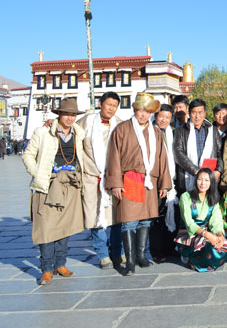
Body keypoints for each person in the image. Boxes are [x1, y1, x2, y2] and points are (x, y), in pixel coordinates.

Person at [105, 92, 173, 276]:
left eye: (147, 111)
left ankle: (141, 255)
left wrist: (164, 185)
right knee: (128, 221)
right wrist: (116, 183)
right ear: (135, 110)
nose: (143, 114)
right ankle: (130, 260)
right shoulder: (122, 129)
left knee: (145, 219)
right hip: (130, 179)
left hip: (150, 181)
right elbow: (113, 157)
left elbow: (163, 158)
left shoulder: (156, 132)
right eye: (140, 110)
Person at [22, 98, 86, 285]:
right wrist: (39, 173)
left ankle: (60, 264)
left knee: (65, 227)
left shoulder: (78, 134)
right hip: (48, 185)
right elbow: (28, 155)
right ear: (59, 114)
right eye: (66, 114)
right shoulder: (42, 132)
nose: (69, 118)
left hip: (71, 185)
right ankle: (46, 268)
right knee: (46, 227)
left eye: (73, 114)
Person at [76, 91, 123, 269]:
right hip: (90, 176)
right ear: (100, 103)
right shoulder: (86, 122)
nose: (111, 108)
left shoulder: (119, 124)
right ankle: (102, 253)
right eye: (108, 104)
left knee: (116, 216)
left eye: (114, 106)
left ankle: (117, 251)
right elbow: (69, 134)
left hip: (113, 177)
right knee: (95, 216)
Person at [175, 168, 227, 271]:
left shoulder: (213, 199)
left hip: (206, 232)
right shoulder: (186, 197)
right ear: (196, 180)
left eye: (207, 180)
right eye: (200, 179)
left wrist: (220, 236)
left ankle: (198, 257)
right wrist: (207, 234)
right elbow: (189, 223)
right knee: (209, 245)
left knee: (223, 248)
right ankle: (191, 258)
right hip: (188, 233)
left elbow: (216, 221)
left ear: (212, 182)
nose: (203, 183)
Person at [174, 99, 224, 197]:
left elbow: (219, 152)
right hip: (187, 176)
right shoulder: (180, 131)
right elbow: (178, 153)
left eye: (200, 112)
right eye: (194, 112)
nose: (197, 116)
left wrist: (219, 170)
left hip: (209, 177)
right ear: (189, 113)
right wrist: (196, 171)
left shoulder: (212, 130)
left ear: (204, 113)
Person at [150, 104, 179, 263]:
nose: (164, 120)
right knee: (157, 217)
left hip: (171, 180)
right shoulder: (149, 132)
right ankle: (157, 250)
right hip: (156, 180)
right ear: (156, 116)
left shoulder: (171, 133)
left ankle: (169, 248)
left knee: (171, 213)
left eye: (168, 117)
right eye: (161, 116)